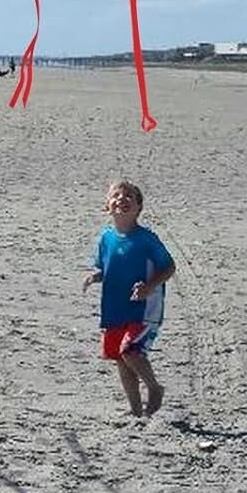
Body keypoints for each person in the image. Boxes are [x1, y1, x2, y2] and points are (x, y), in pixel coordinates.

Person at [82, 179, 175, 418]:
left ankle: (154, 388)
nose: (122, 199)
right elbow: (107, 268)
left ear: (138, 207)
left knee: (131, 351)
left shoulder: (146, 239)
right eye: (116, 195)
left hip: (143, 309)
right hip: (115, 308)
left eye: (129, 196)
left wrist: (149, 287)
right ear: (107, 206)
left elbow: (169, 267)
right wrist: (95, 277)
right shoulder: (106, 238)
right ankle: (135, 411)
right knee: (121, 361)